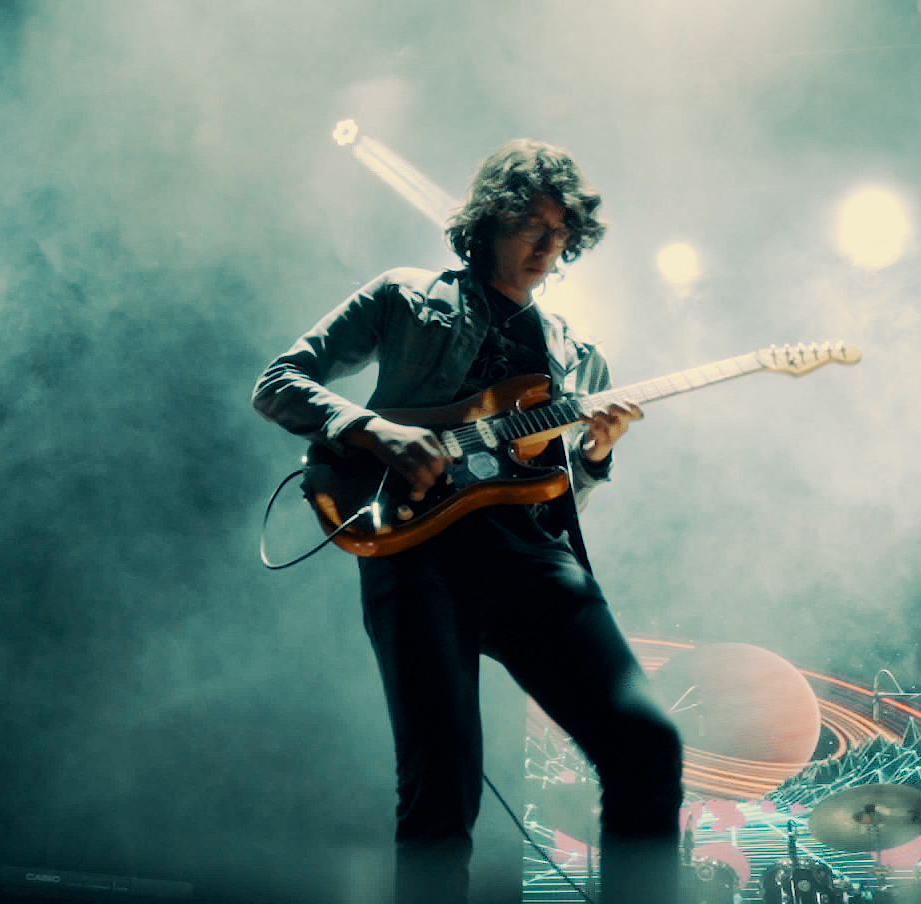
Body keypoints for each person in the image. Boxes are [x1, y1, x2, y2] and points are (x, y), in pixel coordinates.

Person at [253, 138, 684, 903]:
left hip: (529, 561)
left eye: (561, 233)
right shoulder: (404, 295)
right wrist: (371, 430)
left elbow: (559, 498)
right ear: (488, 220)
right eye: (531, 225)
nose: (547, 247)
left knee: (648, 743)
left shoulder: (577, 356)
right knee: (441, 793)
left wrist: (595, 454)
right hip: (417, 549)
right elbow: (279, 381)